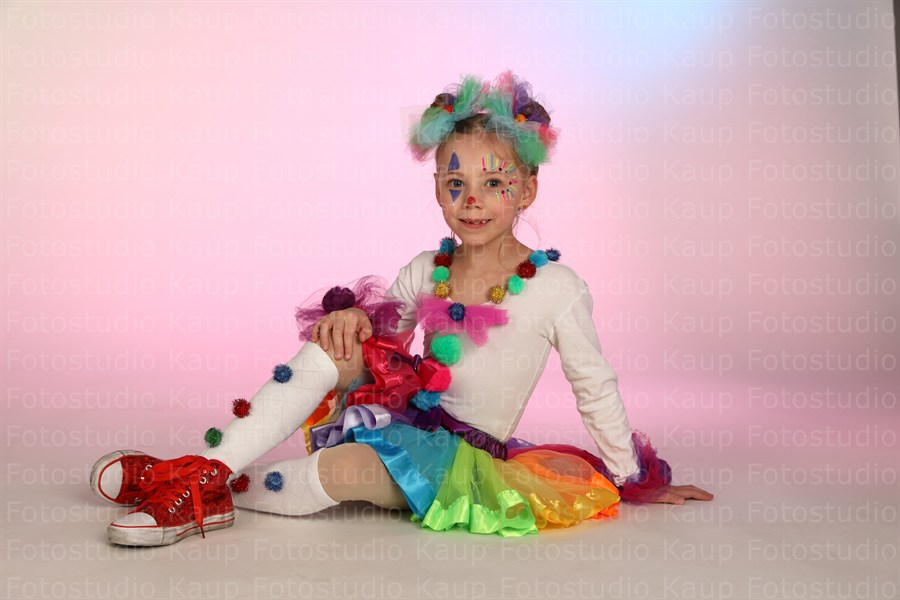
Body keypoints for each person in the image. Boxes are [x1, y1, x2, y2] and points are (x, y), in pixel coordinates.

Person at [90, 71, 713, 546]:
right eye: (455, 183)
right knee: (333, 343)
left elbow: (594, 386)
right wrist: (352, 322)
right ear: (437, 188)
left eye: (494, 183)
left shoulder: (557, 287)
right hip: (405, 413)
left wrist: (633, 478)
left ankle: (199, 486)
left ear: (527, 189)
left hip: (461, 458)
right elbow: (380, 340)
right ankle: (201, 474)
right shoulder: (426, 267)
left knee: (346, 470)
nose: (472, 201)